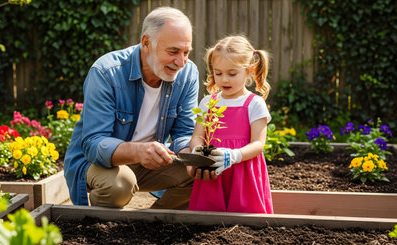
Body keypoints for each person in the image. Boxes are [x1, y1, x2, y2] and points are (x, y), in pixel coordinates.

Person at [64, 7, 199, 209]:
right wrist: (138, 152)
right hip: (97, 164)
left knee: (199, 175)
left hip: (149, 163)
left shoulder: (188, 74)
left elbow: (185, 132)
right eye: (173, 52)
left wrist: (195, 156)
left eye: (186, 52)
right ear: (146, 43)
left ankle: (154, 224)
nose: (181, 62)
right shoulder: (106, 72)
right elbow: (93, 144)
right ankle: (100, 227)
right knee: (120, 186)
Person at [188, 35, 273, 213]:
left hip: (243, 172)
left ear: (249, 71)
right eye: (218, 73)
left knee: (245, 222)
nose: (224, 79)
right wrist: (197, 150)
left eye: (232, 73)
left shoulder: (254, 103)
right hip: (212, 171)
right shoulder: (207, 103)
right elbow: (198, 136)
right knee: (207, 220)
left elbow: (258, 144)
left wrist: (233, 156)